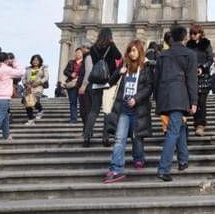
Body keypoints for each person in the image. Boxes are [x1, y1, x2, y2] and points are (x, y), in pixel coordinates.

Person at [103, 40, 153, 183]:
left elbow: (149, 87)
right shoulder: (123, 65)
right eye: (130, 50)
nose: (131, 53)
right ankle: (116, 169)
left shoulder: (146, 67)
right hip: (123, 109)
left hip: (138, 108)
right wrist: (119, 73)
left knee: (137, 136)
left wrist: (136, 99)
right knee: (119, 139)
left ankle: (139, 158)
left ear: (140, 51)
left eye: (134, 50)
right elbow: (111, 82)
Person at [154, 26, 197, 182]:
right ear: (185, 37)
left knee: (179, 126)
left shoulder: (162, 55)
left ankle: (183, 159)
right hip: (180, 95)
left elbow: (156, 80)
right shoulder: (189, 54)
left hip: (165, 95)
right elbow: (192, 80)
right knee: (173, 130)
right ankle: (163, 168)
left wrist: (157, 99)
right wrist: (194, 101)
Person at [82, 27, 122, 147]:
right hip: (108, 82)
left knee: (94, 111)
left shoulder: (94, 48)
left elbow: (94, 61)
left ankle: (87, 137)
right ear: (109, 35)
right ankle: (105, 138)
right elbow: (119, 56)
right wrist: (112, 44)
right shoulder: (111, 46)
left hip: (96, 82)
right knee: (107, 110)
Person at [186, 24, 213, 137]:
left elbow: (210, 59)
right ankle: (196, 123)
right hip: (191, 77)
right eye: (191, 33)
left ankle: (200, 125)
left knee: (202, 102)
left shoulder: (206, 43)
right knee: (194, 102)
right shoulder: (188, 45)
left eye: (195, 33)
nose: (193, 36)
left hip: (204, 77)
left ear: (200, 34)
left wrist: (202, 68)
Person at [22, 54, 49, 125]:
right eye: (34, 60)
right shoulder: (28, 69)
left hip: (38, 87)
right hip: (29, 87)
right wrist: (25, 84)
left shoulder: (43, 68)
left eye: (37, 60)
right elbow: (23, 78)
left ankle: (40, 110)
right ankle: (30, 119)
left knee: (35, 101)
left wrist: (39, 82)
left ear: (40, 61)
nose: (35, 61)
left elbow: (46, 77)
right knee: (28, 103)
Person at [62, 48, 85, 124]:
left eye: (79, 52)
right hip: (71, 84)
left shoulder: (85, 62)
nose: (77, 54)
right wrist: (71, 74)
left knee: (83, 102)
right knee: (73, 102)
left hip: (81, 84)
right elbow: (65, 71)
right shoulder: (71, 62)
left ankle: (84, 118)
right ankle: (73, 119)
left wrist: (79, 77)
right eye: (76, 53)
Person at [77, 42, 91, 130]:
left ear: (85, 48)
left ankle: (87, 130)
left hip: (86, 88)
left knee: (85, 110)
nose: (80, 50)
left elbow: (88, 71)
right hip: (85, 87)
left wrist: (84, 85)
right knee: (83, 111)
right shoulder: (87, 57)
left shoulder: (88, 57)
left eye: (81, 48)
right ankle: (86, 129)